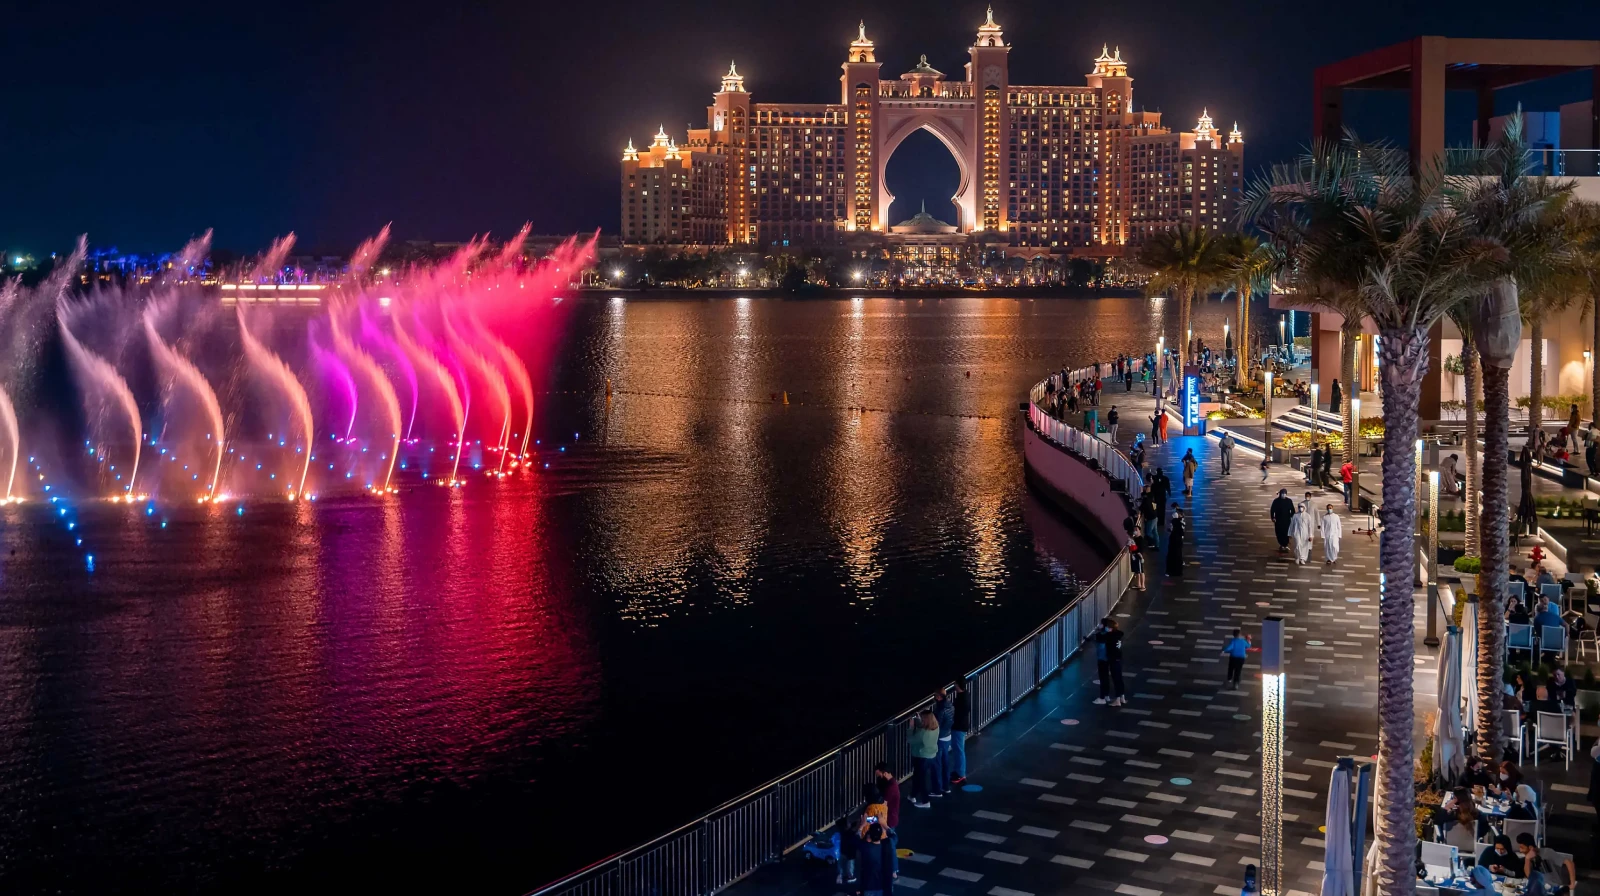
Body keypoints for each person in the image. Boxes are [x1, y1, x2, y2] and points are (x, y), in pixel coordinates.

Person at [855, 820, 895, 896]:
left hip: (869, 887)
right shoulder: (888, 844)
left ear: (870, 835)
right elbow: (894, 836)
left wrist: (862, 825)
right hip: (885, 886)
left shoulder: (866, 847)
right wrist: (884, 824)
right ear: (881, 834)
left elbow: (856, 838)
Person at [907, 711, 938, 808]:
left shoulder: (922, 733)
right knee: (918, 777)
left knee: (921, 780)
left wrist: (911, 728)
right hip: (931, 756)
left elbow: (910, 740)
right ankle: (912, 795)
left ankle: (925, 801)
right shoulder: (936, 728)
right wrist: (919, 720)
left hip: (921, 757)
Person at [1095, 617, 1126, 706]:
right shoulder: (1118, 635)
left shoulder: (1108, 636)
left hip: (1112, 659)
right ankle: (1121, 697)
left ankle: (1117, 700)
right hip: (1118, 658)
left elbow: (1100, 638)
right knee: (1119, 679)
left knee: (1115, 679)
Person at [931, 691, 953, 799]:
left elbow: (936, 725)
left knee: (937, 764)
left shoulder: (940, 710)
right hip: (948, 736)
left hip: (940, 738)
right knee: (945, 762)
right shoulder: (950, 705)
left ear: (939, 697)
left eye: (935, 696)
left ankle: (937, 789)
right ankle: (946, 786)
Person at [949, 681, 969, 786]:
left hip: (958, 727)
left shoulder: (962, 699)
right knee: (958, 749)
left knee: (959, 750)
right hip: (960, 726)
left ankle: (961, 774)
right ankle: (958, 771)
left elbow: (961, 713)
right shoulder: (965, 695)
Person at [872, 763, 901, 831]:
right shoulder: (892, 784)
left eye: (879, 775)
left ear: (885, 774)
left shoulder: (890, 788)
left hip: (888, 820)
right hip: (888, 818)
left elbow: (883, 806)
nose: (879, 778)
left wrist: (869, 819)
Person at [1166, 506, 1186, 577]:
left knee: (1172, 556)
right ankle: (1178, 571)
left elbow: (1170, 529)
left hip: (1174, 541)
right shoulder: (1181, 522)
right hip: (1179, 541)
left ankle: (1171, 571)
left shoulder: (1175, 522)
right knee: (1178, 555)